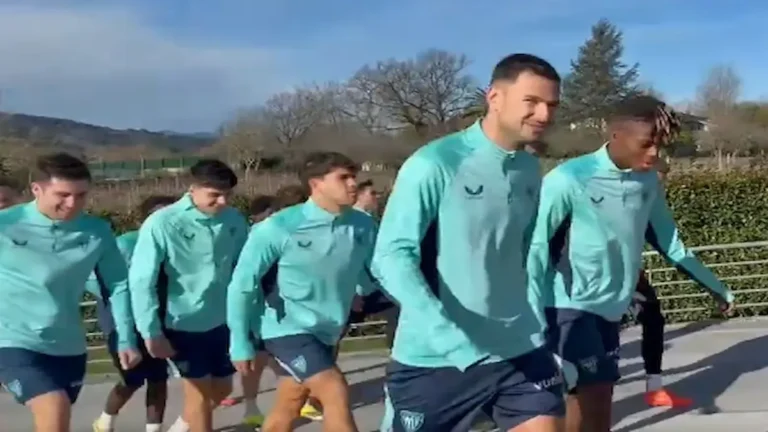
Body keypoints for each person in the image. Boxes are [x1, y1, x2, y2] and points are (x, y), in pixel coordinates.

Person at [374, 53, 564, 432]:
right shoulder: (434, 163)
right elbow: (390, 258)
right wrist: (447, 337)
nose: (544, 114)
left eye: (552, 105)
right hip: (437, 359)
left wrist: (539, 321)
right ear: (494, 97)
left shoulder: (529, 169)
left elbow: (525, 255)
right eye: (532, 102)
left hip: (519, 349)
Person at [528, 95, 735, 432]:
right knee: (591, 397)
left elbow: (670, 243)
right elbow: (536, 247)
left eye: (660, 145)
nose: (654, 154)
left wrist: (716, 286)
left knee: (593, 399)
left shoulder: (648, 182)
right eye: (646, 144)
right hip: (567, 306)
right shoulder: (569, 179)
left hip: (611, 309)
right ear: (615, 135)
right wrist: (533, 320)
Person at [227, 151, 377, 432]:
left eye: (353, 177)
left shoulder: (363, 225)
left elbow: (375, 270)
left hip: (329, 328)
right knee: (334, 390)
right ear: (316, 183)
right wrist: (239, 342)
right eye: (343, 178)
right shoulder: (278, 227)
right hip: (286, 329)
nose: (353, 184)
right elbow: (242, 284)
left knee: (289, 405)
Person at [0, 153, 141, 432]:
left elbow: (118, 285)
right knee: (53, 406)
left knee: (57, 417)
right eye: (62, 195)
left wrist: (126, 337)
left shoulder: (96, 231)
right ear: (36, 189)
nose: (72, 204)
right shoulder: (6, 224)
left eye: (81, 195)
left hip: (68, 345)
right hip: (12, 339)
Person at [129, 159, 249, 432]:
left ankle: (182, 427)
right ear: (192, 189)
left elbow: (244, 271)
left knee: (222, 389)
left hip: (223, 320)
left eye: (228, 195)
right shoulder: (162, 222)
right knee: (199, 393)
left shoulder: (234, 219)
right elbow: (141, 280)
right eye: (214, 195)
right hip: (181, 321)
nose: (222, 201)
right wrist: (150, 331)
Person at [92, 195, 178, 432]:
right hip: (121, 322)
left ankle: (154, 429)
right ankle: (105, 421)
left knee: (159, 378)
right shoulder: (124, 245)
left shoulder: (175, 246)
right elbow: (96, 283)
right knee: (131, 378)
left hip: (156, 320)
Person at [627, 158, 692, 408]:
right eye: (658, 184)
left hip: (630, 274)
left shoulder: (646, 204)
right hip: (592, 276)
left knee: (653, 318)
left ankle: (654, 387)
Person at [219, 193, 277, 429]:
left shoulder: (284, 234)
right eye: (271, 214)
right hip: (256, 312)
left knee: (281, 365)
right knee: (256, 362)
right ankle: (251, 408)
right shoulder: (251, 237)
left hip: (280, 313)